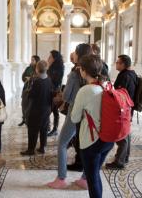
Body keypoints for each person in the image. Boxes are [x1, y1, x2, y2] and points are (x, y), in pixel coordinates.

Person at [47, 44, 92, 189]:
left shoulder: (74, 73)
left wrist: (63, 94)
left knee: (62, 143)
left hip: (75, 111)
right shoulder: (97, 69)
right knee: (86, 145)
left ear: (78, 55)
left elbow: (66, 96)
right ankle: (85, 178)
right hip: (91, 112)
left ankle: (61, 178)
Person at [71, 54, 114, 198]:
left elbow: (74, 118)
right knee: (95, 175)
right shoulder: (107, 84)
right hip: (108, 138)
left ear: (83, 70)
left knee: (92, 178)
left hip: (92, 141)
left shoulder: (86, 90)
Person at [105, 55, 137, 170]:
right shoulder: (132, 73)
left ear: (123, 64)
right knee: (126, 132)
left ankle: (119, 162)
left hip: (123, 109)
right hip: (129, 108)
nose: (116, 64)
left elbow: (118, 95)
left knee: (121, 135)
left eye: (118, 62)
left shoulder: (124, 76)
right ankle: (125, 157)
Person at [20, 60, 52, 155]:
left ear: (37, 69)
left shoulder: (37, 82)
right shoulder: (48, 80)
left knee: (32, 130)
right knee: (44, 129)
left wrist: (28, 89)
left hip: (35, 110)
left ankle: (30, 150)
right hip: (46, 109)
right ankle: (42, 147)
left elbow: (31, 95)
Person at [18, 55, 40, 126]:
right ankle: (24, 119)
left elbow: (37, 77)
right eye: (31, 59)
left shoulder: (38, 69)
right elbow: (23, 76)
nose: (31, 61)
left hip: (32, 89)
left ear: (36, 61)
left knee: (30, 105)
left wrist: (30, 78)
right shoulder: (28, 68)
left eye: (33, 60)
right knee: (23, 104)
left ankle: (29, 120)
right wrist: (25, 78)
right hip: (26, 88)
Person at [47, 50, 64, 136]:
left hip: (54, 91)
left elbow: (55, 81)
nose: (48, 59)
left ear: (54, 58)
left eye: (50, 57)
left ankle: (54, 129)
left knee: (52, 110)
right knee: (53, 110)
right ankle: (50, 127)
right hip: (50, 90)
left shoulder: (58, 68)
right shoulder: (51, 67)